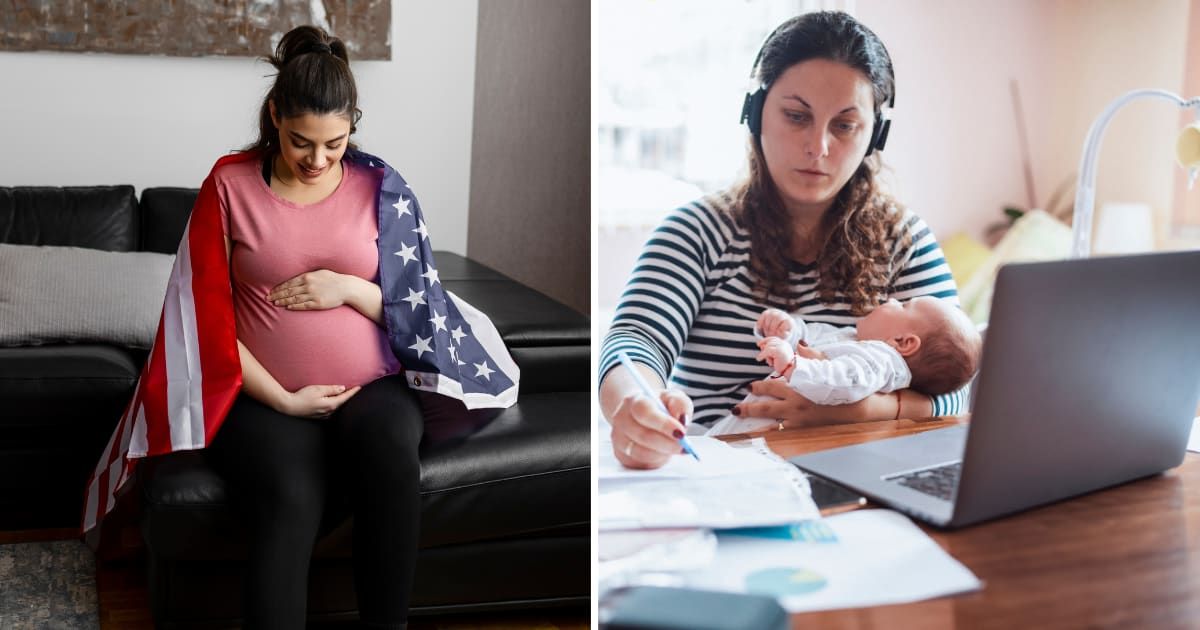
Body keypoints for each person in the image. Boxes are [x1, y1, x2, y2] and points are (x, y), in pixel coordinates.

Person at [82, 25, 518, 630]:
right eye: (300, 142)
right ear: (274, 116)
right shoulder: (229, 186)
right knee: (290, 496)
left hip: (375, 388)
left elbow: (420, 305)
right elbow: (199, 320)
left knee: (392, 454)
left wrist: (350, 289)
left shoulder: (383, 189)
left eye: (335, 144)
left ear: (353, 126)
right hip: (259, 397)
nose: (317, 159)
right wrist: (285, 398)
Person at [599, 11, 968, 470]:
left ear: (876, 135)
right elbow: (634, 343)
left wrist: (862, 409)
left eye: (845, 125)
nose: (818, 147)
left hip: (860, 478)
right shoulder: (695, 230)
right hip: (717, 475)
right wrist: (636, 405)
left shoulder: (904, 240)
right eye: (797, 117)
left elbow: (961, 384)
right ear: (754, 114)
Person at [706, 299, 982, 435]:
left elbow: (841, 383)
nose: (891, 300)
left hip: (768, 429)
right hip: (756, 419)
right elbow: (815, 337)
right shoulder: (857, 340)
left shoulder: (881, 359)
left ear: (903, 342)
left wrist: (792, 364)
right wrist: (787, 329)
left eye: (904, 305)